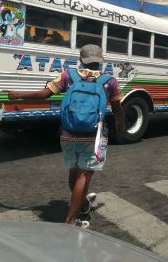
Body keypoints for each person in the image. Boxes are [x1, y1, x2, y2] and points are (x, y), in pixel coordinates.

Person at [8, 44, 124, 227]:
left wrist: (18, 95)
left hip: (68, 133)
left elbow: (44, 94)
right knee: (83, 176)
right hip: (93, 135)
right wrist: (120, 127)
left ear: (81, 60)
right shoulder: (110, 81)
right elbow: (117, 109)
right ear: (101, 61)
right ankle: (70, 220)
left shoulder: (68, 76)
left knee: (73, 173)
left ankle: (84, 205)